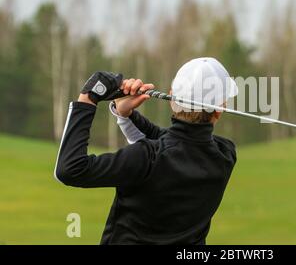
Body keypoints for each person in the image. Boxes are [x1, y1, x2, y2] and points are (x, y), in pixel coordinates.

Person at [54, 57, 239, 245]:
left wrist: (88, 98)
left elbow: (70, 169)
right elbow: (175, 142)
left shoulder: (146, 157)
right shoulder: (225, 154)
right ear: (219, 109)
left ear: (171, 98)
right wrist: (126, 115)